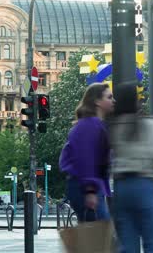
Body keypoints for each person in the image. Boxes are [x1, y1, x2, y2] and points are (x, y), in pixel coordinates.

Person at [110, 102, 153, 253]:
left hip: (122, 186)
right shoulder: (151, 124)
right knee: (151, 242)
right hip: (145, 185)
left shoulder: (113, 125)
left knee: (127, 243)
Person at [59, 83, 115, 222]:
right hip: (86, 188)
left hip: (86, 186)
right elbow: (86, 159)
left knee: (94, 236)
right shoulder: (90, 125)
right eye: (109, 97)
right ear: (97, 101)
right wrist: (90, 190)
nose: (113, 101)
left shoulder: (89, 124)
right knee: (100, 235)